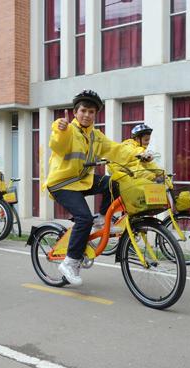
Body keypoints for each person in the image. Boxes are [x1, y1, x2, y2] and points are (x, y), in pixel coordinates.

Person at [44, 89, 136, 286]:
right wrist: (60, 129)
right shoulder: (67, 130)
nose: (87, 115)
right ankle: (69, 263)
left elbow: (116, 150)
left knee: (114, 183)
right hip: (62, 184)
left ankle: (102, 219)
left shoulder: (95, 135)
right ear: (75, 112)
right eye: (83, 111)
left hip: (82, 180)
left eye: (91, 112)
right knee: (83, 218)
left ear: (96, 115)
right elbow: (58, 145)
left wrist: (139, 154)